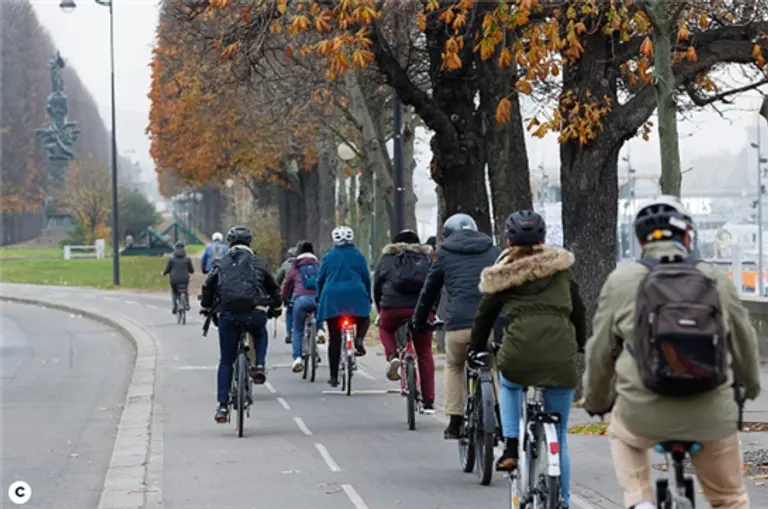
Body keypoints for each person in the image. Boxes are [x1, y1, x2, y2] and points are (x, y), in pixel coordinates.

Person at [583, 195, 761, 509]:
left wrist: (597, 400)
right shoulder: (716, 279)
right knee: (730, 499)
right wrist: (749, 387)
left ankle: (640, 501)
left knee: (620, 432)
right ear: (688, 237)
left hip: (642, 414)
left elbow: (600, 352)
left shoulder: (621, 281)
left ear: (640, 242)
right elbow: (744, 342)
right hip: (711, 413)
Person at [469, 209, 585, 507]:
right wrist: (581, 344)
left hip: (518, 353)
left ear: (508, 240)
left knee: (508, 384)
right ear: (544, 238)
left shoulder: (503, 274)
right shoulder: (561, 270)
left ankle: (509, 447)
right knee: (559, 432)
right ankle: (564, 501)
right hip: (561, 355)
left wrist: (476, 346)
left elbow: (485, 315)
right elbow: (579, 310)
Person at [413, 213, 500, 439]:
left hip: (458, 324)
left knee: (454, 365)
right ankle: (499, 415)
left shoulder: (443, 254)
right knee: (492, 364)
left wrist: (420, 320)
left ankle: (455, 420)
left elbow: (429, 291)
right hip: (489, 323)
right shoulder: (493, 251)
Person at [200, 226, 282, 423]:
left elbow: (208, 287)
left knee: (226, 361)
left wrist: (207, 306)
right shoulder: (260, 262)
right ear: (249, 243)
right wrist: (276, 307)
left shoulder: (220, 262)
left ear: (230, 243)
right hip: (254, 313)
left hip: (228, 316)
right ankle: (259, 365)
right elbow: (273, 288)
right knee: (260, 333)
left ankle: (222, 407)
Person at [373, 229, 435, 412]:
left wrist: (380, 309)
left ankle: (392, 356)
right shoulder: (425, 259)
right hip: (421, 310)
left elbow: (377, 286)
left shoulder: (386, 259)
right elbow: (434, 287)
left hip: (392, 308)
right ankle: (429, 400)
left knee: (385, 328)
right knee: (424, 352)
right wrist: (432, 309)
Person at [316, 225, 371, 387]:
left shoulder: (328, 257)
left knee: (334, 338)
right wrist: (368, 296)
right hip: (356, 295)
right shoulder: (359, 256)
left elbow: (320, 279)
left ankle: (333, 377)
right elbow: (366, 278)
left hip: (332, 298)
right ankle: (359, 339)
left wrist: (319, 296)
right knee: (364, 317)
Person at [281, 240, 326, 372]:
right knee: (318, 311)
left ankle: (297, 358)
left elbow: (287, 286)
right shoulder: (319, 266)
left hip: (300, 300)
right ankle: (320, 330)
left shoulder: (294, 267)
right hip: (318, 299)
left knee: (298, 330)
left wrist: (284, 299)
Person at [161, 240, 195, 314]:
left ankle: (175, 305)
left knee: (174, 292)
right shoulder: (187, 259)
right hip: (184, 279)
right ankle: (187, 304)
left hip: (174, 279)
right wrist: (191, 271)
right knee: (185, 291)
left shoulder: (171, 259)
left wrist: (163, 273)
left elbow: (167, 269)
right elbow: (191, 270)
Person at [276, 246, 299, 344]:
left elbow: (278, 279)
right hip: (304, 292)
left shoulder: (286, 265)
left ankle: (289, 333)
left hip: (290, 293)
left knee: (289, 311)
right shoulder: (305, 263)